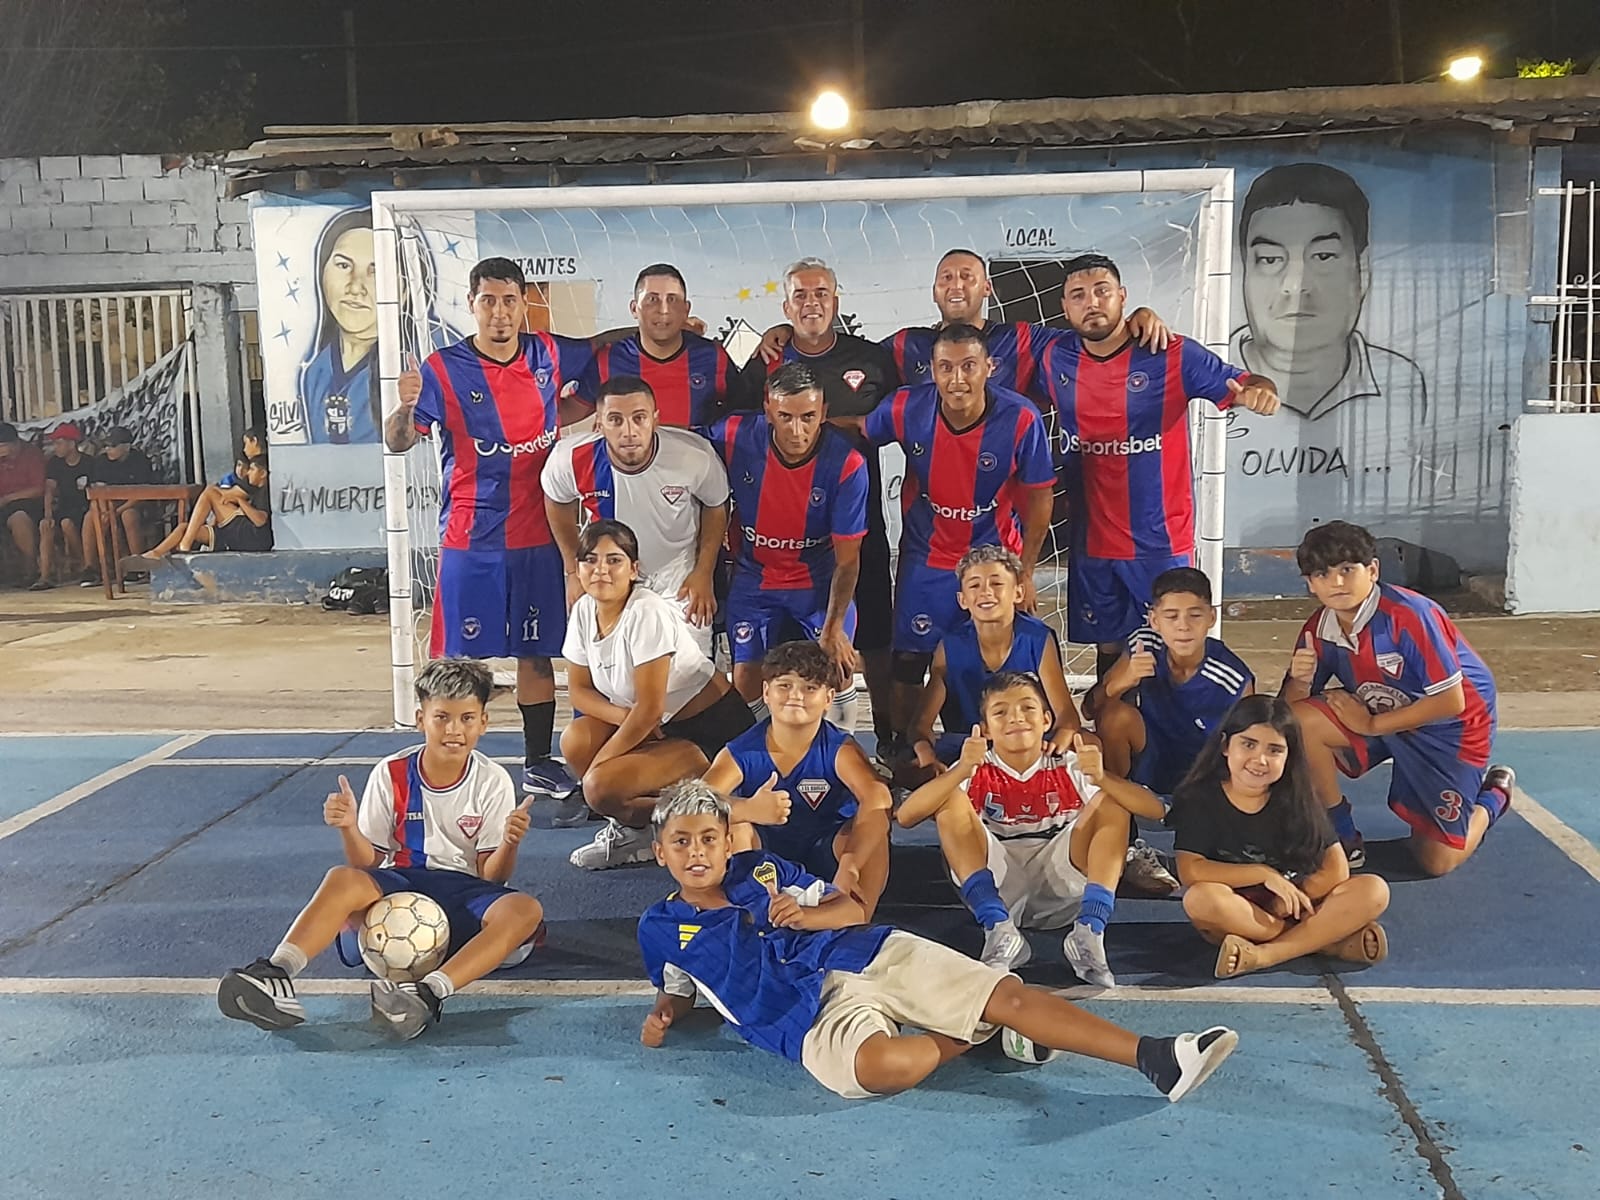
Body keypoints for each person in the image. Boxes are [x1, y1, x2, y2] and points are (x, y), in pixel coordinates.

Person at [638, 778, 1239, 1101]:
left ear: (728, 841)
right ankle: (980, 1031)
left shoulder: (765, 870)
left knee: (1008, 994)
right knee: (879, 1068)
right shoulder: (659, 929)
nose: (697, 852)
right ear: (661, 852)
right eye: (682, 842)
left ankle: (1158, 1057)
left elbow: (849, 908)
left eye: (709, 838)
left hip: (859, 951)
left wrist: (806, 915)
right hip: (798, 1015)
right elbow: (682, 986)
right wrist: (667, 1012)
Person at [216, 658, 545, 1039]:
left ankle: (428, 995)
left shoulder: (492, 780)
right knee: (342, 878)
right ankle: (276, 973)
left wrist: (509, 843)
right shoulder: (392, 772)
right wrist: (348, 828)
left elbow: (493, 876)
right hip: (401, 883)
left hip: (465, 890)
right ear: (421, 719)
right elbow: (367, 861)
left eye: (467, 718)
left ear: (483, 723)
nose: (454, 730)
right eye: (442, 717)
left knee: (525, 910)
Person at [390, 256, 596, 802]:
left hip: (538, 534)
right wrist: (405, 407)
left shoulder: (549, 352)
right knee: (459, 661)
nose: (499, 312)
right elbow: (398, 441)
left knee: (537, 653)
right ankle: (446, 765)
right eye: (488, 301)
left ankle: (538, 763)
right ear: (472, 305)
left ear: (524, 303)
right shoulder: (443, 368)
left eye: (509, 301)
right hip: (471, 536)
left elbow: (601, 356)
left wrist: (561, 414)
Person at [1028, 254, 1280, 686]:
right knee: (1110, 653)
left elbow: (1248, 382)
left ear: (1122, 296)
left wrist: (1260, 392)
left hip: (1160, 541)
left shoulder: (1172, 353)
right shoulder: (1053, 355)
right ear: (1065, 308)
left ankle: (1180, 727)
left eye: (1103, 292)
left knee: (1176, 648)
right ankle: (1114, 728)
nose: (1092, 303)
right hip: (1092, 542)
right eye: (1079, 295)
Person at [1087, 694, 1392, 980]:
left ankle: (1265, 954)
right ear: (1225, 746)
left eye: (1274, 750)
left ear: (1289, 756)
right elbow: (1192, 871)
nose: (1260, 759)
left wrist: (1293, 898)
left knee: (1373, 889)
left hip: (1297, 902)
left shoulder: (1298, 797)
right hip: (1241, 910)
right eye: (1248, 744)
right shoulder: (1201, 798)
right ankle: (1324, 941)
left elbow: (1336, 868)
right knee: (1200, 900)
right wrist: (1263, 874)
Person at [860, 323, 1056, 745]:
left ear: (989, 367)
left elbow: (1041, 498)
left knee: (1003, 663)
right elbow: (858, 430)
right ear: (931, 370)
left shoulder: (1021, 418)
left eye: (969, 366)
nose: (957, 378)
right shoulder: (906, 406)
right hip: (926, 558)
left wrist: (1025, 572)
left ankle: (1008, 754)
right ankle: (908, 755)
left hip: (995, 560)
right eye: (946, 367)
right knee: (909, 663)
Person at [1281, 520, 1512, 876]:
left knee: (1435, 861)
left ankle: (1494, 796)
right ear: (1310, 584)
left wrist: (1372, 724)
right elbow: (1285, 714)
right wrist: (1299, 681)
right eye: (1322, 574)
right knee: (1299, 724)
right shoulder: (1318, 629)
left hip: (1452, 727)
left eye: (1347, 569)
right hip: (1381, 713)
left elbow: (1451, 701)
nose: (1336, 582)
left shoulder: (1411, 614)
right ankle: (1340, 834)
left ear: (1373, 570)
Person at [734, 258, 899, 752]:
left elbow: (907, 416)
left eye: (821, 293)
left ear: (836, 301)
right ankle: (765, 752)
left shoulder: (872, 359)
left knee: (866, 645)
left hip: (853, 527)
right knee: (766, 662)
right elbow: (726, 424)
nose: (812, 303)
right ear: (786, 307)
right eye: (800, 295)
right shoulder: (767, 360)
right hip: (771, 549)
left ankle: (881, 742)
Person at [896, 672, 1138, 988]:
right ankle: (998, 928)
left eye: (1027, 708)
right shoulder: (974, 766)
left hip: (1062, 886)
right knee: (949, 800)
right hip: (999, 886)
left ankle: (1090, 930)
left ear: (1047, 720)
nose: (1016, 718)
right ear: (985, 729)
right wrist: (961, 771)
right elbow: (906, 817)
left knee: (1113, 802)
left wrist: (1104, 778)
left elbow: (1153, 810)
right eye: (1001, 712)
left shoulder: (1069, 764)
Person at [562, 520, 755, 870]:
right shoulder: (583, 610)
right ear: (578, 567)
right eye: (590, 560)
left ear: (634, 570)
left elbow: (650, 710)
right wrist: (624, 719)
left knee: (600, 787)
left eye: (613, 560)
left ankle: (714, 813)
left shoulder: (646, 610)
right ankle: (640, 832)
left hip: (711, 733)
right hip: (659, 727)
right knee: (576, 740)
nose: (601, 570)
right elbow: (579, 692)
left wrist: (599, 770)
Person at [705, 361, 868, 725]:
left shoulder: (847, 464)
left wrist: (833, 627)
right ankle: (764, 748)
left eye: (808, 417)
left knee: (837, 663)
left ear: (823, 412)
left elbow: (848, 561)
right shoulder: (734, 434)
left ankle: (839, 747)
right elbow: (681, 444)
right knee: (745, 678)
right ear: (768, 411)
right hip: (755, 577)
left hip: (817, 579)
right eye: (785, 417)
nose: (797, 430)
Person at [543, 375, 730, 658]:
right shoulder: (569, 458)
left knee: (692, 672)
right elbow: (556, 500)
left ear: (655, 419)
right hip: (609, 576)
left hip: (677, 579)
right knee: (607, 671)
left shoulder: (694, 456)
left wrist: (703, 572)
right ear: (599, 423)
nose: (629, 431)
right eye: (615, 420)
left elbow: (716, 505)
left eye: (639, 418)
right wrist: (573, 571)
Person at [702, 640, 893, 918]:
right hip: (766, 857)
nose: (796, 695)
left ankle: (855, 915)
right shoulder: (740, 751)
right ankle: (747, 912)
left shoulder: (841, 749)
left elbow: (879, 798)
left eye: (809, 688)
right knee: (733, 825)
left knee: (874, 823)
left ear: (829, 698)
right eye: (784, 685)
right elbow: (691, 805)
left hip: (829, 855)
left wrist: (851, 863)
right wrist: (747, 809)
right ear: (766, 692)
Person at [1229, 163, 1427, 423]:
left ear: (1362, 270)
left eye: (1323, 256)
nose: (1295, 285)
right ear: (1245, 270)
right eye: (1270, 259)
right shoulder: (1205, 378)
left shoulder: (1400, 381)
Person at [907, 544, 1080, 775]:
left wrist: (1055, 746)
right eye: (974, 585)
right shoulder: (949, 646)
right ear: (962, 599)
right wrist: (926, 755)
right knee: (910, 766)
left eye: (997, 584)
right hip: (969, 748)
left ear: (1018, 593)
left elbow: (1067, 716)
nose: (986, 592)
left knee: (1087, 745)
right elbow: (920, 726)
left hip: (1027, 743)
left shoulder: (1038, 638)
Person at [1096, 567, 1255, 798]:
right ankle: (1118, 802)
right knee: (1115, 716)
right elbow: (1090, 709)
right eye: (1171, 616)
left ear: (1211, 617)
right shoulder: (1144, 645)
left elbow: (1251, 744)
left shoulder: (1233, 678)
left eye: (1195, 615)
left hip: (1204, 775)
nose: (1183, 626)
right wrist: (1123, 681)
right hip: (1151, 754)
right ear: (1154, 620)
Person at [576, 263, 739, 428]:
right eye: (652, 299)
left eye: (672, 299)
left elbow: (743, 417)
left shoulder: (713, 357)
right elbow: (570, 410)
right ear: (634, 309)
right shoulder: (609, 359)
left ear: (686, 309)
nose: (663, 309)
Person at [297, 209, 381, 444]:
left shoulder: (430, 358)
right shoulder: (316, 371)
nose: (355, 287)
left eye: (376, 271)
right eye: (343, 265)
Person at [138, 455, 273, 559]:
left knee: (210, 492)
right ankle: (156, 553)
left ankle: (185, 545)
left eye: (252, 469)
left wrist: (239, 501)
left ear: (263, 473)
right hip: (233, 535)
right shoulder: (252, 488)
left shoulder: (265, 491)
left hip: (252, 539)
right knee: (185, 528)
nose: (248, 473)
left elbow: (260, 520)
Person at [33, 424, 95, 589]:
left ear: (71, 444)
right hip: (65, 507)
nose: (56, 447)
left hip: (85, 507)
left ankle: (86, 565)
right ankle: (45, 576)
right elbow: (49, 489)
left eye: (59, 443)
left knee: (67, 524)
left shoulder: (89, 463)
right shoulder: (55, 463)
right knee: (45, 525)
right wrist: (48, 514)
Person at [0, 422, 46, 587]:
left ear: (14, 443)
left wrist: (8, 498)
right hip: (3, 504)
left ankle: (29, 570)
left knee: (19, 518)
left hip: (27, 503)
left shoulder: (32, 455)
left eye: (2, 446)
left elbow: (39, 488)